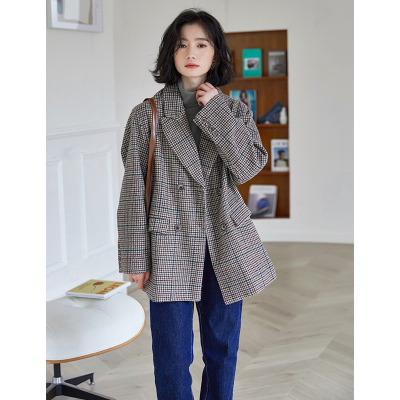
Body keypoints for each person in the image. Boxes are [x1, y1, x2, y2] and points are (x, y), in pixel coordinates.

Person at [117, 8, 277, 400]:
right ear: (170, 53)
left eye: (201, 44)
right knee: (171, 355)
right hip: (168, 243)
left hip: (223, 241)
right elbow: (133, 190)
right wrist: (135, 257)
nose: (191, 53)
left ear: (216, 54)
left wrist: (216, 110)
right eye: (182, 45)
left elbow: (247, 168)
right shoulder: (146, 115)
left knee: (222, 349)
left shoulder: (234, 110)